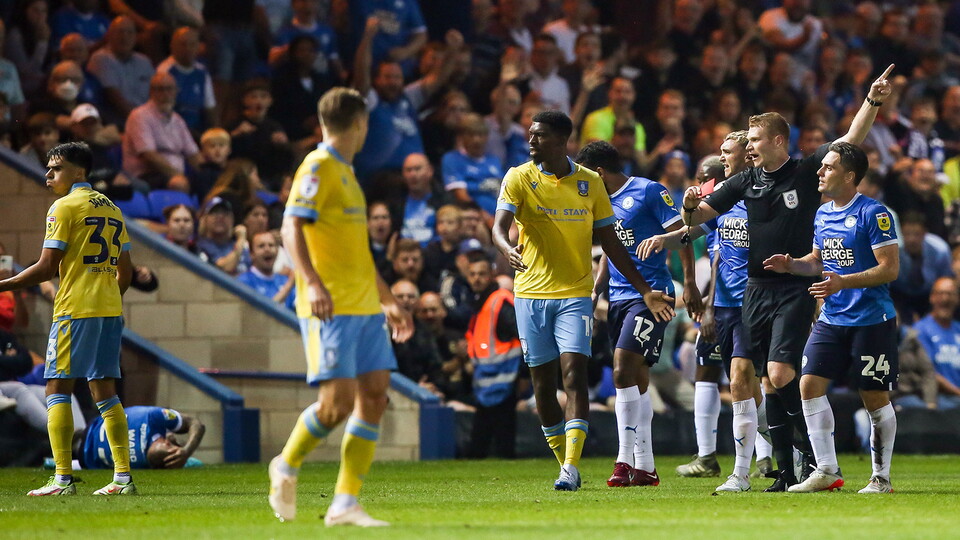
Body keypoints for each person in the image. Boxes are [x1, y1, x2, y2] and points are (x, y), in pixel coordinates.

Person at [679, 65, 895, 491]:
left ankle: (815, 460)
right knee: (763, 379)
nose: (750, 147)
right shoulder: (745, 181)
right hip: (756, 290)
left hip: (795, 290)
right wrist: (688, 206)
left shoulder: (804, 170)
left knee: (779, 376)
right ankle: (784, 470)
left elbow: (851, 140)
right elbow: (699, 218)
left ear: (778, 141)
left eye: (755, 140)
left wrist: (872, 100)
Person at [493, 110, 673, 491]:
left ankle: (573, 467)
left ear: (561, 141)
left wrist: (643, 288)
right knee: (543, 384)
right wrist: (506, 246)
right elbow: (497, 226)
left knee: (574, 374)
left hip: (576, 294)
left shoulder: (590, 183)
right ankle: (564, 461)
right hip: (529, 294)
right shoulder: (518, 177)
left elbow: (612, 244)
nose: (531, 142)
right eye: (529, 134)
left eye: (539, 136)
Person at [269, 87, 412, 527]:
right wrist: (311, 283)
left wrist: (387, 300)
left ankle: (344, 503)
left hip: (364, 307)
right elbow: (290, 227)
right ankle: (286, 464)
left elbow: (358, 254)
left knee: (374, 397)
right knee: (335, 405)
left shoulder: (348, 174)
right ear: (360, 124)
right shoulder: (318, 165)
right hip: (329, 306)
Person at [763, 141, 899, 494]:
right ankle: (826, 470)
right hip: (833, 317)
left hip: (872, 318)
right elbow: (819, 261)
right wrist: (793, 265)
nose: (820, 172)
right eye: (821, 166)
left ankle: (880, 478)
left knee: (873, 396)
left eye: (828, 167)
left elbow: (890, 269)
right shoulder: (822, 213)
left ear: (849, 175)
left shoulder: (874, 214)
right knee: (808, 385)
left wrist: (843, 282)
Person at [0, 141, 135, 496]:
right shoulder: (113, 209)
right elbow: (127, 272)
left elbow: (46, 268)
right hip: (109, 311)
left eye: (55, 168)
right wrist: (106, 296)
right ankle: (122, 477)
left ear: (79, 171)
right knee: (105, 393)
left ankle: (62, 479)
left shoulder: (63, 207)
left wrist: (5, 284)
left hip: (74, 310)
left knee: (57, 388)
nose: (48, 174)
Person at [641, 132, 772, 489]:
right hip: (724, 303)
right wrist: (664, 239)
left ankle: (744, 469)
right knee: (743, 383)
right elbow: (702, 240)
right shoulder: (722, 205)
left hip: (754, 301)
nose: (703, 184)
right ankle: (780, 441)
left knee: (745, 378)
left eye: (724, 156)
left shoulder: (763, 199)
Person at [576, 141, 701, 488]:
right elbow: (609, 254)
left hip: (652, 297)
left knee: (621, 369)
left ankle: (622, 461)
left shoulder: (648, 192)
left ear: (599, 172)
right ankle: (645, 467)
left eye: (584, 175)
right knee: (637, 380)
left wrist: (688, 283)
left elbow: (685, 236)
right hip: (618, 299)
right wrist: (596, 291)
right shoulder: (600, 204)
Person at [465, 253, 523, 458]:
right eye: (472, 274)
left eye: (481, 274)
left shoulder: (499, 301)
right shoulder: (480, 302)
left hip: (506, 381)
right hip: (487, 382)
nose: (476, 279)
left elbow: (522, 336)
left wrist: (523, 376)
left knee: (502, 449)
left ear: (492, 275)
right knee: (480, 447)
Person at [121, 72, 200, 191]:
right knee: (179, 184)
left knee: (209, 181)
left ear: (176, 91)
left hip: (174, 174)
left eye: (169, 89)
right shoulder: (140, 116)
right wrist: (177, 175)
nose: (166, 94)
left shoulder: (177, 120)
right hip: (148, 175)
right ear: (151, 92)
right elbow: (149, 156)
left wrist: (206, 172)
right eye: (160, 89)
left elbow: (193, 154)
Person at [81, 406, 205, 469]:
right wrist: (187, 451)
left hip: (87, 440)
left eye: (176, 444)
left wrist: (186, 451)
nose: (173, 438)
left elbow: (196, 423)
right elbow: (195, 423)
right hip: (86, 452)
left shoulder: (152, 418)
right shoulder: (154, 418)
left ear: (168, 443)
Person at [913, 277, 960, 409]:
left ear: (957, 299)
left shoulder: (958, 329)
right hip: (937, 399)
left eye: (950, 294)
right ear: (932, 297)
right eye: (940, 293)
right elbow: (929, 373)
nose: (945, 299)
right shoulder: (920, 330)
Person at [238, 231, 295, 311]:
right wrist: (290, 283)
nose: (267, 249)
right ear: (251, 254)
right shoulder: (244, 281)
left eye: (271, 245)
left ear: (277, 251)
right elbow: (262, 313)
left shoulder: (284, 279)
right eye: (261, 246)